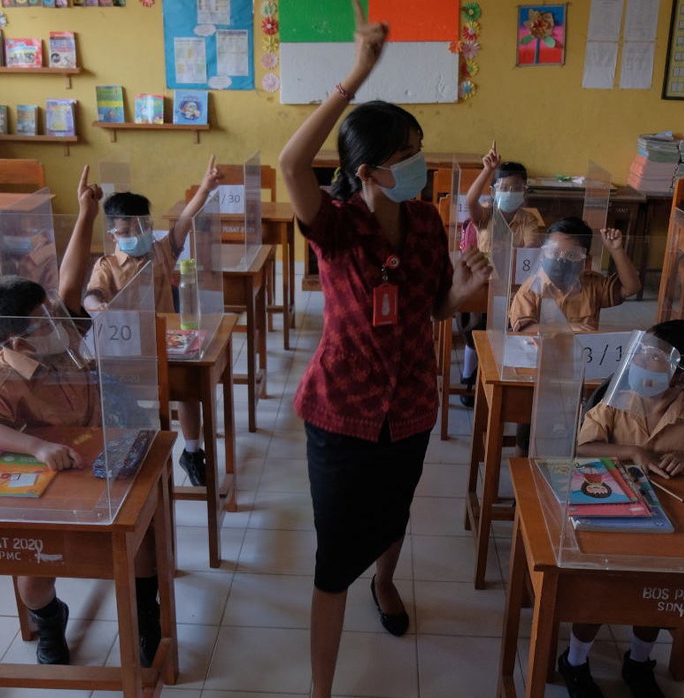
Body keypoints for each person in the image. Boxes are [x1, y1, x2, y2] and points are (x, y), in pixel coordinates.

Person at [278, 7, 492, 697]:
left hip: (410, 408)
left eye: (418, 153)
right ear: (368, 172)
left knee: (394, 515)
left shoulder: (428, 223)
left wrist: (457, 299)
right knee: (334, 556)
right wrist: (356, 75)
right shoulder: (336, 229)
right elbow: (288, 163)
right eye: (407, 158)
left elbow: (429, 307)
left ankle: (388, 582)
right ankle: (320, 687)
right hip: (341, 413)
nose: (420, 168)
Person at [0, 171, 164, 667]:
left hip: (107, 444)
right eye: (45, 319)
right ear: (20, 342)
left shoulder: (66, 339)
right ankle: (48, 620)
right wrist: (35, 446)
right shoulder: (5, 374)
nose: (58, 318)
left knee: (140, 540)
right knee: (32, 570)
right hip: (53, 471)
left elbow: (71, 284)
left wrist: (86, 213)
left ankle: (146, 615)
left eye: (54, 312)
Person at [568, 319, 684, 698]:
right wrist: (633, 452)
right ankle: (574, 661)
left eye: (651, 356)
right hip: (609, 510)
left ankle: (638, 661)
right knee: (599, 595)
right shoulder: (615, 403)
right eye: (640, 351)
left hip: (665, 521)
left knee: (654, 596)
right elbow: (582, 449)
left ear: (682, 379)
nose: (636, 360)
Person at [72, 159, 222, 487]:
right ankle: (125, 448)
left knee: (187, 393)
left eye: (140, 229)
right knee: (115, 398)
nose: (134, 237)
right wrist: (98, 306)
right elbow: (89, 296)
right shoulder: (107, 265)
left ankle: (193, 452)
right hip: (125, 349)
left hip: (166, 342)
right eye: (125, 232)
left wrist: (205, 188)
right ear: (112, 233)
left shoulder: (161, 251)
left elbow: (185, 219)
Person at [455, 142, 547, 406]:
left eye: (516, 188)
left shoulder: (528, 220)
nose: (510, 192)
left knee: (512, 327)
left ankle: (502, 373)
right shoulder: (486, 215)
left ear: (524, 192)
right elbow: (471, 200)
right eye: (504, 188)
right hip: (483, 283)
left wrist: (524, 251)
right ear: (494, 191)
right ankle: (468, 376)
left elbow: (531, 248)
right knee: (477, 328)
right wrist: (486, 170)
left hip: (513, 286)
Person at [507, 217, 641, 333]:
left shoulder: (592, 285)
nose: (560, 260)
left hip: (581, 355)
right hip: (541, 353)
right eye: (554, 253)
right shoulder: (530, 289)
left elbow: (631, 288)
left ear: (585, 261)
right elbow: (523, 329)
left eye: (571, 255)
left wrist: (616, 250)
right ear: (542, 255)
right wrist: (567, 329)